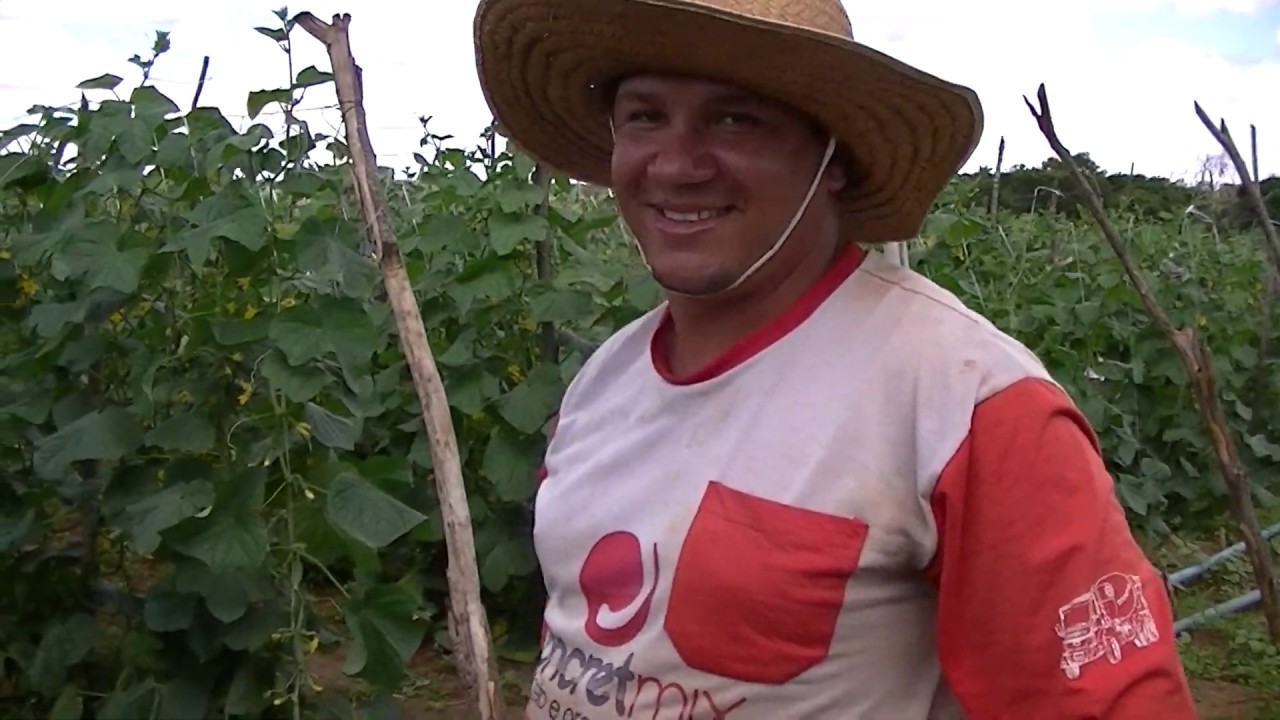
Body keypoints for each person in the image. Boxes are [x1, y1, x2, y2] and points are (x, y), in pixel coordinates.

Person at [472, 0, 1200, 717]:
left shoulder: (963, 399)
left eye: (735, 118)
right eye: (644, 116)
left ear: (834, 161)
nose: (676, 163)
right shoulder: (607, 376)